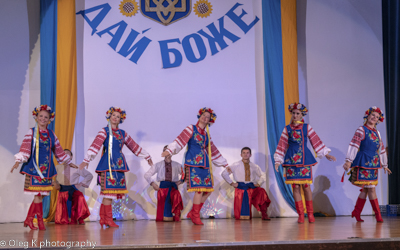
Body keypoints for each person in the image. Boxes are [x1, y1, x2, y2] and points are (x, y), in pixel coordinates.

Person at [79, 106, 153, 228]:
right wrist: (87, 159)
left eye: (118, 117)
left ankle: (104, 219)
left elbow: (134, 146)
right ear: (109, 116)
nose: (115, 118)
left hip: (118, 166)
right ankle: (108, 219)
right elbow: (96, 145)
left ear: (120, 120)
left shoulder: (123, 134)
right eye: (114, 115)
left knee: (110, 194)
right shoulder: (104, 131)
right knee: (108, 193)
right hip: (107, 166)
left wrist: (146, 156)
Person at [161, 107, 229, 225]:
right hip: (193, 163)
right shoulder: (191, 128)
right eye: (204, 115)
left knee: (208, 191)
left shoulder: (207, 135)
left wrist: (224, 163)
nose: (205, 117)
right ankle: (196, 215)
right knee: (199, 190)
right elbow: (180, 140)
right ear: (200, 116)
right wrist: (169, 150)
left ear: (209, 121)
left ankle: (193, 212)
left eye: (208, 117)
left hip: (204, 164)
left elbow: (212, 150)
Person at [10, 105, 73, 230]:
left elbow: (58, 150)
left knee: (42, 195)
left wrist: (67, 161)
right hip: (34, 169)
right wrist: (18, 160)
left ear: (49, 119)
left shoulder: (51, 134)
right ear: (36, 117)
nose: (43, 119)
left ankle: (29, 219)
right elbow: (25, 148)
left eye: (46, 117)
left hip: (47, 170)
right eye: (41, 116)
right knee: (38, 195)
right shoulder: (32, 132)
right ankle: (39, 221)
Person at [274, 103, 336, 223]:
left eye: (298, 113)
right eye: (294, 113)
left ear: (302, 115)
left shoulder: (307, 127)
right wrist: (278, 161)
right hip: (291, 160)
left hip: (304, 159)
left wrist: (325, 154)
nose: (295, 115)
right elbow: (282, 145)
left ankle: (310, 213)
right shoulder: (287, 129)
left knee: (306, 187)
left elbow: (316, 141)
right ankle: (301, 214)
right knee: (295, 187)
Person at [343, 106, 391, 223]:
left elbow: (381, 149)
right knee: (370, 189)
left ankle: (357, 212)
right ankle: (377, 215)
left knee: (366, 189)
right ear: (368, 115)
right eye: (373, 115)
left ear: (379, 120)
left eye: (377, 117)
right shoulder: (361, 130)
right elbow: (354, 144)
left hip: (374, 163)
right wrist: (349, 160)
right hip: (363, 161)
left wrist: (385, 164)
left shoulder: (377, 133)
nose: (374, 118)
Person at [221, 147, 271, 220]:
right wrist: (232, 183)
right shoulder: (235, 165)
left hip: (251, 187)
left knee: (261, 192)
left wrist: (259, 183)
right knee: (239, 217)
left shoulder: (254, 166)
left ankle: (264, 214)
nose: (245, 154)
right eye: (244, 153)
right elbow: (224, 173)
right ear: (241, 155)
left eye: (247, 153)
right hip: (241, 188)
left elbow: (263, 175)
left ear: (250, 155)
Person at [145, 145, 184, 222]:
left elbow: (185, 173)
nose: (167, 153)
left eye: (168, 151)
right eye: (165, 151)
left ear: (171, 152)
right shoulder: (158, 165)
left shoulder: (177, 165)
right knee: (162, 212)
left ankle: (176, 216)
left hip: (173, 187)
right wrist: (153, 183)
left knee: (176, 196)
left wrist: (180, 181)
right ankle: (164, 219)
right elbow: (147, 175)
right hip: (162, 189)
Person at [54, 149, 93, 225]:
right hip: (62, 190)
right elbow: (54, 179)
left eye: (67, 154)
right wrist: (55, 184)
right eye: (63, 154)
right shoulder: (57, 167)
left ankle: (80, 218)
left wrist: (81, 183)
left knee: (80, 197)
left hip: (73, 188)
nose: (65, 156)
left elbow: (89, 175)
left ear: (71, 157)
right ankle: (67, 218)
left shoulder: (77, 166)